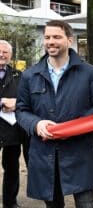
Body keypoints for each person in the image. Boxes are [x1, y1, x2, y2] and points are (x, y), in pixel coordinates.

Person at [16, 20, 93, 208]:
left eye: (57, 37)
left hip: (79, 152)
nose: (51, 41)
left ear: (69, 40)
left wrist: (75, 127)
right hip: (45, 154)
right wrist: (36, 124)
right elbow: (21, 110)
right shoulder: (29, 75)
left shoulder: (89, 72)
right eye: (47, 37)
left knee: (86, 205)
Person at [0, 40, 27, 208]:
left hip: (11, 130)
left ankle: (10, 202)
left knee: (11, 168)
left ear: (10, 55)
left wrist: (17, 103)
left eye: (5, 52)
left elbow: (27, 98)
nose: (2, 55)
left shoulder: (19, 75)